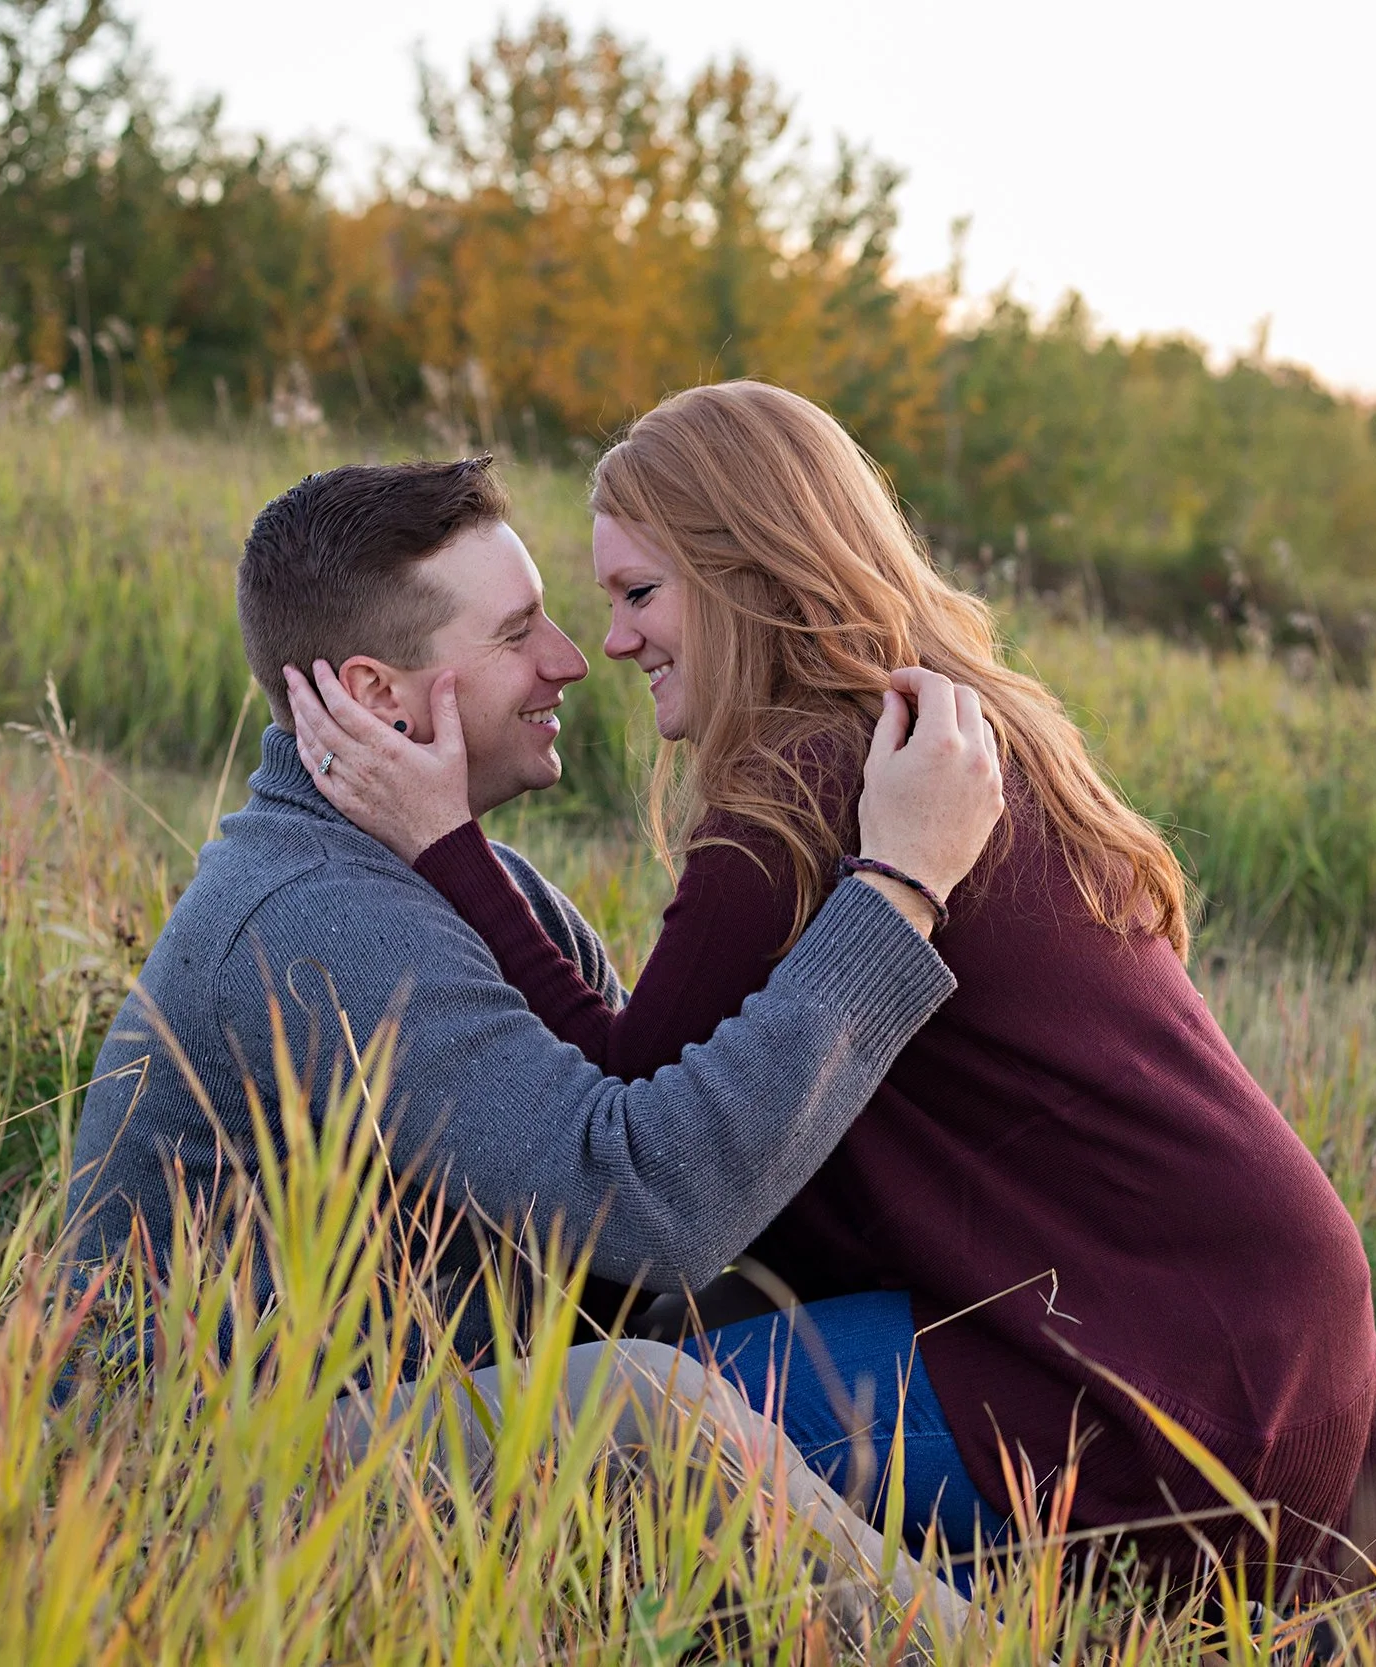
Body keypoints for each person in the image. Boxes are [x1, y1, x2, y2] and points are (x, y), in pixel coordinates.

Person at [286, 382, 1376, 1605]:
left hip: (1135, 1394)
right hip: (1283, 1349)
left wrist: (445, 843)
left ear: (749, 575)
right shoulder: (951, 733)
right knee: (676, 1341)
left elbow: (621, 1125)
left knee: (637, 1422)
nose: (614, 642)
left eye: (640, 593)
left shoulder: (808, 780)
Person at [62, 456, 1004, 1636]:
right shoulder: (312, 917)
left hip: (396, 1395)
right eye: (517, 633)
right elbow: (647, 1211)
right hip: (200, 1475)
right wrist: (897, 889)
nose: (571, 657)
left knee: (762, 1337)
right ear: (379, 693)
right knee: (649, 1407)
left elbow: (646, 1133)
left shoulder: (463, 882)